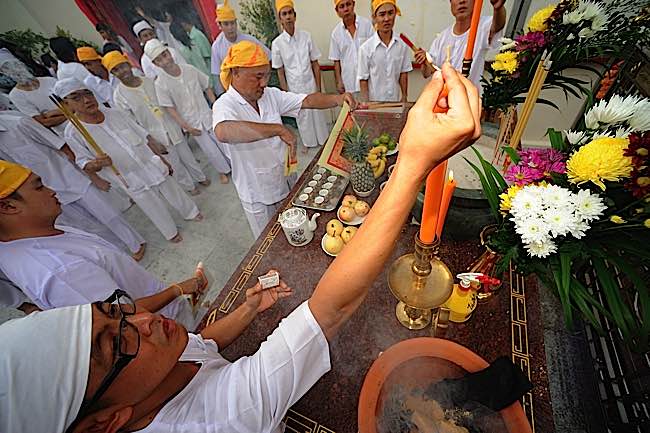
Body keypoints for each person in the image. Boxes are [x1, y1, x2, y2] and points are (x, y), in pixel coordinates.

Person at [0, 61, 482, 433]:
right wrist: (415, 162)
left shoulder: (151, 357)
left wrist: (247, 310)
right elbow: (330, 311)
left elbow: (200, 345)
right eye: (117, 341)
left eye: (117, 312)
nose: (142, 320)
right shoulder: (218, 419)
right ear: (106, 422)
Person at [0, 159, 209, 328]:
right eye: (39, 188)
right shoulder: (56, 268)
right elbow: (120, 319)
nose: (51, 190)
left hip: (165, 309)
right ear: (8, 206)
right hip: (163, 327)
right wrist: (177, 290)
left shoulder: (36, 234)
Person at [214, 40, 356, 237]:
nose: (264, 83)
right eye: (258, 76)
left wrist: (336, 99)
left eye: (266, 76)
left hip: (284, 179)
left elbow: (306, 100)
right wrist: (277, 129)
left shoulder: (269, 95)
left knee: (296, 231)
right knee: (267, 240)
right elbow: (224, 131)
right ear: (236, 72)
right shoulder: (225, 105)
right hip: (258, 194)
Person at [55, 78, 202, 243]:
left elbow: (142, 135)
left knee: (172, 189)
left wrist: (161, 158)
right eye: (76, 98)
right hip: (127, 175)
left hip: (149, 162)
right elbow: (83, 162)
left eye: (88, 94)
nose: (87, 100)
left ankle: (191, 212)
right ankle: (170, 232)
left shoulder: (115, 113)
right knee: (150, 205)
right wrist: (97, 163)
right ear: (66, 105)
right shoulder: (73, 133)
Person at [0, 111, 146, 258]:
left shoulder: (19, 123)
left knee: (108, 215)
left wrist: (92, 176)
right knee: (86, 227)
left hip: (70, 177)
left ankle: (135, 244)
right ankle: (116, 253)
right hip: (41, 194)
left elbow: (63, 147)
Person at [104, 51, 210, 194]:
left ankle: (200, 177)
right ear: (113, 74)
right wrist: (151, 142)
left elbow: (167, 102)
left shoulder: (149, 81)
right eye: (115, 70)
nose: (121, 72)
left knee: (187, 156)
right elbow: (132, 123)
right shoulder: (119, 96)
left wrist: (181, 122)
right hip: (154, 134)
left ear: (128, 64)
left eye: (122, 66)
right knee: (175, 164)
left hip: (171, 125)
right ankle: (189, 187)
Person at [145, 39, 231, 185]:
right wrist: (187, 127)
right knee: (209, 150)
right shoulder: (160, 84)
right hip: (192, 122)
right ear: (155, 64)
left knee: (224, 142)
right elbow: (170, 109)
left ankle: (235, 165)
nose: (165, 61)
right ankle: (222, 171)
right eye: (159, 59)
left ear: (170, 53)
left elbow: (206, 86)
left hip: (207, 114)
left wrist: (215, 106)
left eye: (165, 55)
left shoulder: (189, 69)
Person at [272, 0, 329, 152]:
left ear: (295, 16)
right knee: (302, 117)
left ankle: (324, 141)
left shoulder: (306, 36)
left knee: (317, 113)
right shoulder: (277, 44)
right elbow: (280, 71)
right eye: (284, 14)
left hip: (311, 84)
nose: (288, 17)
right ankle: (308, 143)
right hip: (294, 88)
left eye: (290, 13)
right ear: (280, 18)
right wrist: (286, 94)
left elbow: (315, 63)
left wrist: (318, 86)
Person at [415, 0, 506, 92]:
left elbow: (497, 25)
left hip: (470, 100)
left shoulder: (482, 26)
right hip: (444, 100)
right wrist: (424, 60)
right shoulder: (442, 38)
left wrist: (497, 9)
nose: (462, 1)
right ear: (450, 3)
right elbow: (427, 73)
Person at [211, 0, 271, 95]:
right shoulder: (217, 47)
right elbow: (216, 75)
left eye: (232, 23)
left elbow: (269, 57)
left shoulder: (249, 40)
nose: (230, 27)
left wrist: (264, 80)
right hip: (235, 93)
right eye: (226, 24)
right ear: (220, 26)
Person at [0, 50, 67, 135]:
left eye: (17, 65)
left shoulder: (50, 80)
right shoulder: (16, 96)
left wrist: (51, 113)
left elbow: (73, 103)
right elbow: (44, 122)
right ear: (5, 73)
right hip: (64, 133)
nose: (16, 71)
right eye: (8, 69)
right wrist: (69, 114)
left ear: (23, 65)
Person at [358, 0, 412, 102]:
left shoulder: (402, 45)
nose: (387, 19)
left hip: (395, 103)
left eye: (390, 13)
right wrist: (366, 104)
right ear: (375, 17)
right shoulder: (366, 49)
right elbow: (363, 80)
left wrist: (404, 96)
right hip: (374, 105)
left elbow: (403, 73)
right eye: (382, 15)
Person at [329, 0, 374, 95]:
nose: (346, 9)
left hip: (369, 81)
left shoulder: (366, 25)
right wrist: (339, 82)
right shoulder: (336, 34)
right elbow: (336, 61)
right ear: (337, 11)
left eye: (348, 4)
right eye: (342, 6)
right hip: (349, 83)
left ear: (353, 5)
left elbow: (375, 52)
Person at [169, 20, 214, 87]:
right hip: (211, 76)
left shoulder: (182, 51)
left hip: (202, 83)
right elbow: (207, 56)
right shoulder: (194, 42)